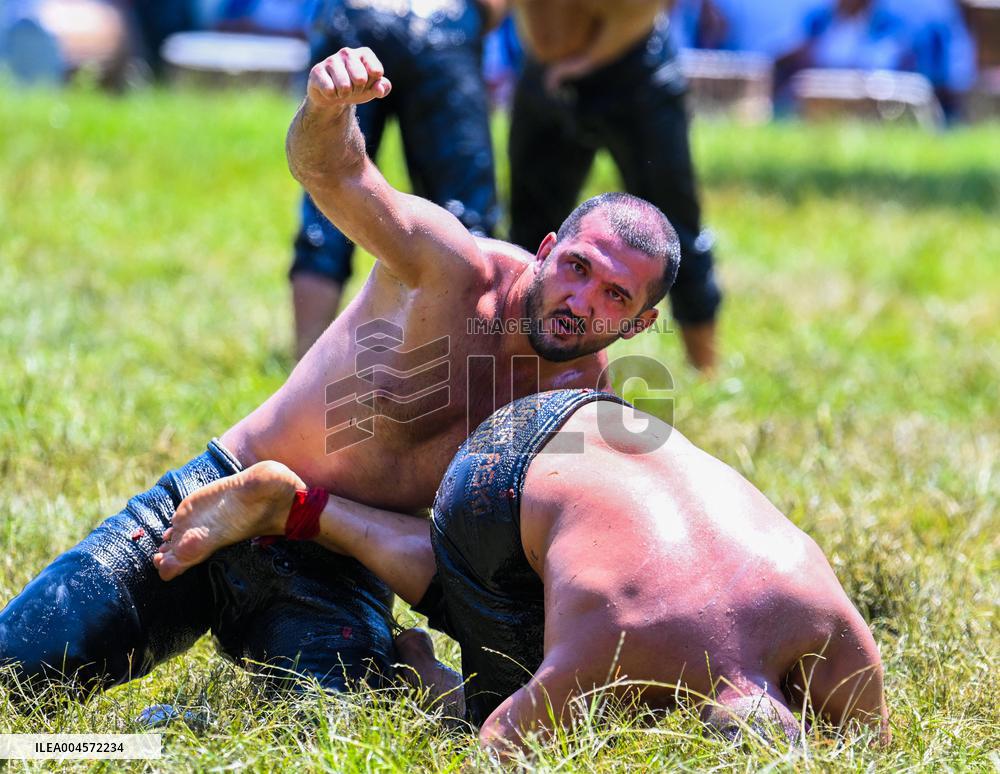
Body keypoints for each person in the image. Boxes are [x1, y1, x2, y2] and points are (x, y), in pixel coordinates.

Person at [0, 47, 678, 700]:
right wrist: (327, 108)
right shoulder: (450, 268)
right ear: (549, 250)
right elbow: (336, 174)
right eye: (578, 268)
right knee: (15, 677)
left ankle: (172, 726)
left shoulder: (580, 413)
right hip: (215, 495)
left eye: (615, 296)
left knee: (322, 736)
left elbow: (524, 577)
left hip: (340, 560)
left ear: (640, 326)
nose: (581, 301)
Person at [154, 388, 890, 756]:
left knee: (585, 645)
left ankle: (314, 515)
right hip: (495, 473)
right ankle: (301, 508)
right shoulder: (628, 641)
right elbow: (495, 749)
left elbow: (876, 747)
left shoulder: (835, 634)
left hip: (602, 417)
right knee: (531, 717)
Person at [506, 0, 723, 372]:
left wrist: (583, 64)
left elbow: (641, 11)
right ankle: (516, 368)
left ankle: (707, 370)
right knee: (529, 235)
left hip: (634, 69)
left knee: (678, 233)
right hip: (546, 71)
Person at [290, 0, 507, 358]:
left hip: (354, 14)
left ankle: (304, 359)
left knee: (324, 206)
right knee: (469, 215)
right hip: (447, 19)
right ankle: (473, 361)